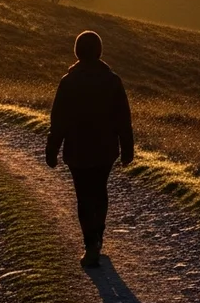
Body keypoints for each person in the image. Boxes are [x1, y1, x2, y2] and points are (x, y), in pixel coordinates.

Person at [45, 30, 135, 268]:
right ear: (99, 52)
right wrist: (127, 149)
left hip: (77, 149)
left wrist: (52, 149)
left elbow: (59, 120)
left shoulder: (69, 82)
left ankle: (90, 243)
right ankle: (98, 236)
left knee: (83, 196)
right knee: (100, 191)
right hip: (105, 149)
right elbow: (123, 119)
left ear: (77, 52)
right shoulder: (112, 80)